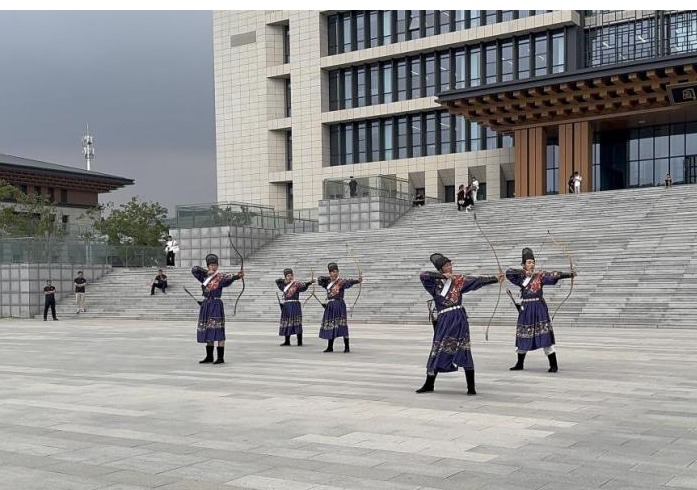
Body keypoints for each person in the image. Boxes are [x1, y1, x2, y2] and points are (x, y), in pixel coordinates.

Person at [417, 253, 503, 395]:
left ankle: (471, 387)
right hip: (444, 320)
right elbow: (423, 275)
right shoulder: (434, 284)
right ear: (440, 269)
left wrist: (495, 279)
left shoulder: (458, 281)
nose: (449, 267)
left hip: (458, 318)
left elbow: (476, 281)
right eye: (446, 266)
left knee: (464, 349)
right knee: (437, 348)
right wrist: (442, 276)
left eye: (450, 264)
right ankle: (429, 384)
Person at [505, 247, 576, 373]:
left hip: (539, 309)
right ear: (523, 265)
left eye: (533, 262)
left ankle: (553, 365)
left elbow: (554, 275)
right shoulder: (520, 278)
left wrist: (569, 274)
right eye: (529, 262)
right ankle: (519, 363)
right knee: (523, 335)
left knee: (545, 335)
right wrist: (524, 273)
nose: (531, 265)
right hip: (526, 310)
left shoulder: (539, 276)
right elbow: (508, 273)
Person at [191, 253, 244, 365]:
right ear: (208, 266)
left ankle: (220, 357)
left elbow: (230, 278)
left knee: (218, 329)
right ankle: (209, 356)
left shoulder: (220, 277)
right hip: (206, 304)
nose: (213, 267)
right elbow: (194, 270)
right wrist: (206, 272)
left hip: (216, 304)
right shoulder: (204, 277)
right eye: (211, 265)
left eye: (215, 265)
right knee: (208, 329)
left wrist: (238, 276)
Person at [317, 262, 362, 353]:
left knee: (342, 324)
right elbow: (319, 280)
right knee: (331, 324)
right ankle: (330, 347)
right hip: (330, 305)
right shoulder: (328, 282)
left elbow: (349, 282)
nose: (335, 273)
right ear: (330, 273)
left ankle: (347, 347)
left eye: (337, 271)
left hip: (339, 304)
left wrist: (357, 281)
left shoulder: (341, 282)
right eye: (333, 272)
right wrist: (329, 278)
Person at [276, 268, 314, 346]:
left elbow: (303, 286)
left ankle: (299, 341)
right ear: (285, 277)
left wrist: (309, 283)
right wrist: (284, 281)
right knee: (287, 322)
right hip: (287, 305)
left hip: (295, 304)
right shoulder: (283, 285)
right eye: (288, 276)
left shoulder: (296, 284)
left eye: (291, 275)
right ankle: (287, 341)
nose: (290, 277)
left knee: (297, 322)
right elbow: (277, 281)